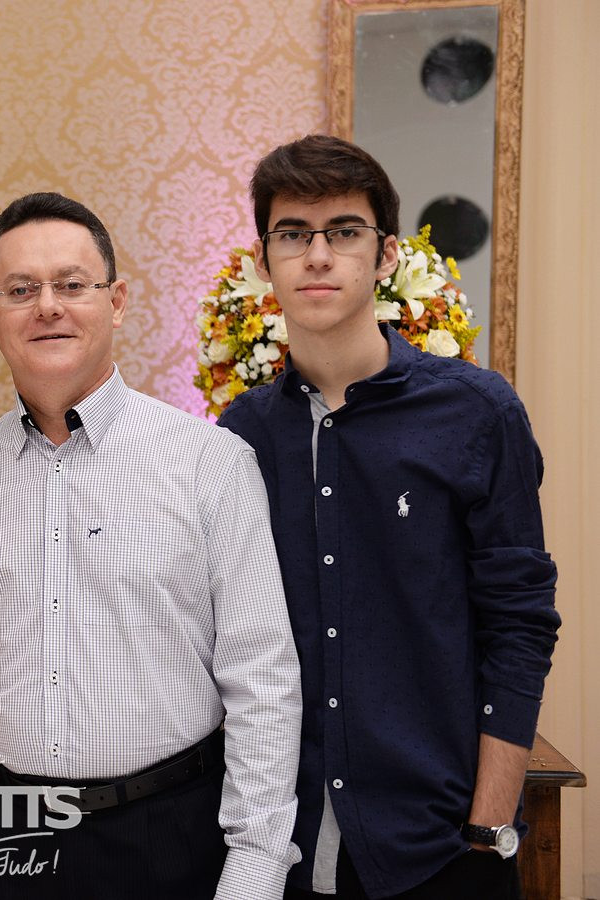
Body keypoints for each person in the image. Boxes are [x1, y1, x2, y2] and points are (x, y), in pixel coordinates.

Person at [219, 134, 560, 899]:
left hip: (439, 848)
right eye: (291, 233)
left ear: (385, 255)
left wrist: (486, 829)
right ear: (262, 259)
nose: (317, 255)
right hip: (280, 849)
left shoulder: (476, 414)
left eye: (343, 231)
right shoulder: (239, 436)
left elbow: (519, 625)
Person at [0, 191, 303, 900]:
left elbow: (262, 676)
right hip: (7, 835)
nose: (48, 306)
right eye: (21, 290)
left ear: (116, 301)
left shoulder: (210, 462)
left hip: (170, 834)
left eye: (72, 284)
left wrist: (255, 868)